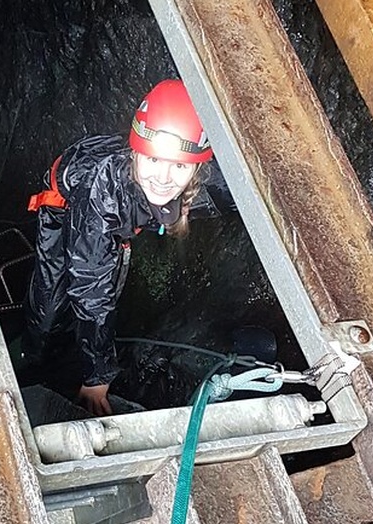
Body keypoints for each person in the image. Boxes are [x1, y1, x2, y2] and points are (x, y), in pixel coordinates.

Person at [21, 79, 229, 416]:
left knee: (108, 275)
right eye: (153, 160)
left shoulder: (195, 180)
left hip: (123, 205)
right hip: (68, 208)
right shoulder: (101, 195)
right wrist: (97, 375)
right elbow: (89, 288)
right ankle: (32, 356)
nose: (163, 177)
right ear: (136, 152)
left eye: (179, 166)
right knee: (49, 307)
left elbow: (238, 190)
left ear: (197, 167)